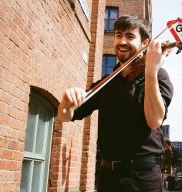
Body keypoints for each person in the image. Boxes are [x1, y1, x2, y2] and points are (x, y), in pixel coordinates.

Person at [58, 15, 174, 192]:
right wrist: (66, 102)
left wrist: (151, 70)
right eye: (118, 35)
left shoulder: (159, 76)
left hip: (143, 179)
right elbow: (65, 116)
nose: (122, 41)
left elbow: (154, 120)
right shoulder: (107, 82)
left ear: (145, 43)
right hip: (108, 178)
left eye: (130, 36)